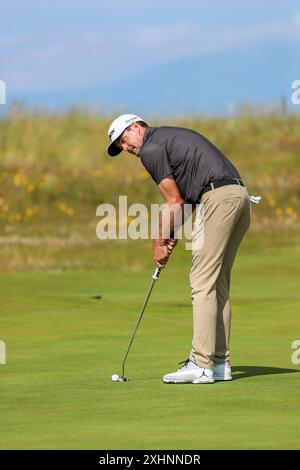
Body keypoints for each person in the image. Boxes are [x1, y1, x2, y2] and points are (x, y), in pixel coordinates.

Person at [107, 113, 251, 384]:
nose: (125, 149)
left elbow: (173, 201)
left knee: (201, 280)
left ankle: (201, 363)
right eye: (119, 148)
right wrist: (171, 233)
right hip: (238, 198)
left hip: (218, 199)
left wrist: (158, 243)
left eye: (123, 140)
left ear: (136, 127)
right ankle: (220, 363)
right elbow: (186, 201)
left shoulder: (151, 148)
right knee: (217, 282)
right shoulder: (167, 138)